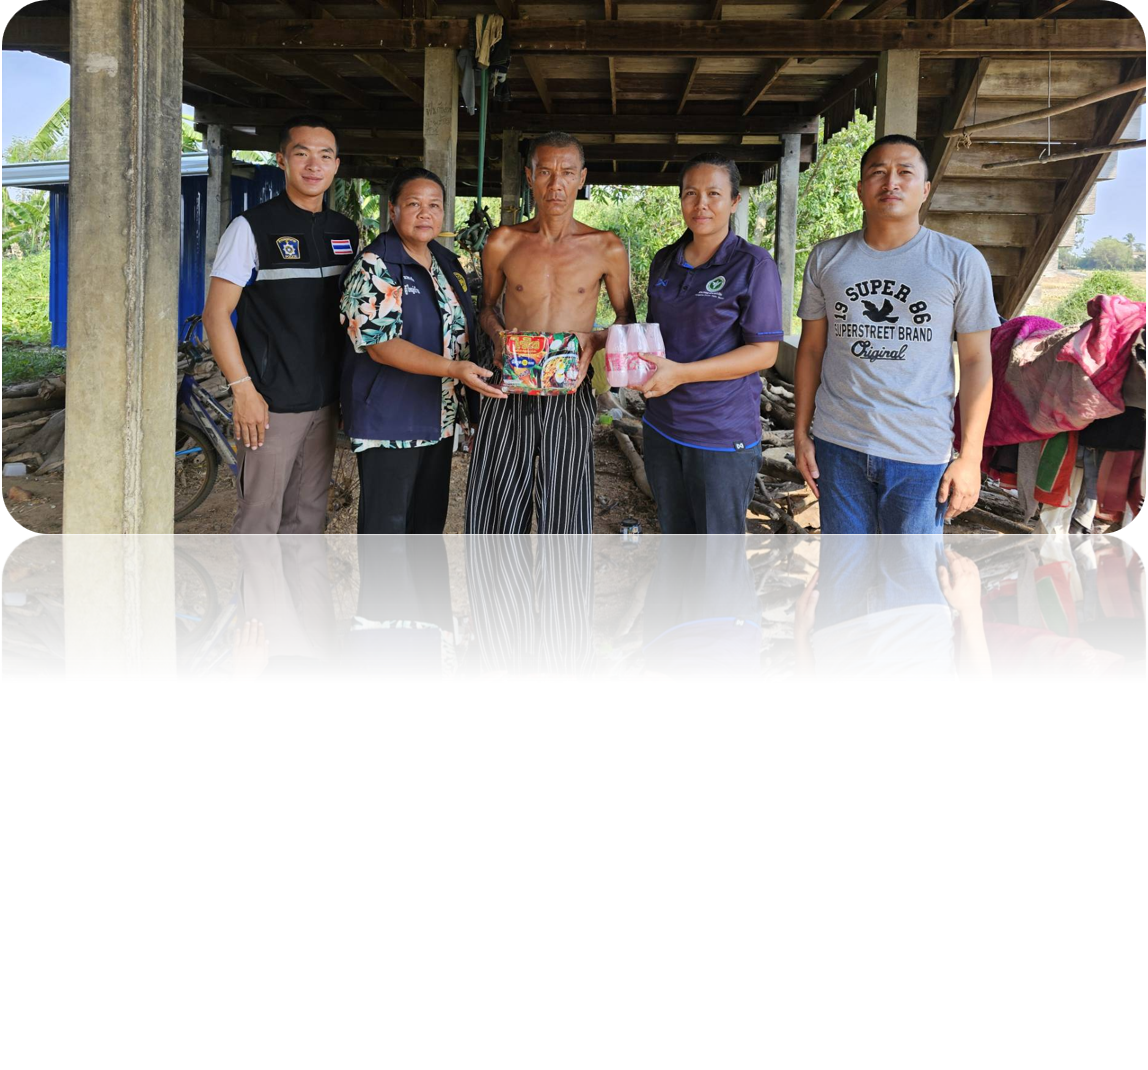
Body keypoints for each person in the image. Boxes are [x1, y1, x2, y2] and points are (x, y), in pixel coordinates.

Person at [465, 132, 635, 678]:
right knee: (497, 512)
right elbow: (486, 307)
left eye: (566, 172)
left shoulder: (606, 246)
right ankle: (501, 652)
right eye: (544, 171)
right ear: (529, 176)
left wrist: (593, 341)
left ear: (582, 178)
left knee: (565, 511)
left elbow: (627, 320)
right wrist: (498, 337)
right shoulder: (502, 241)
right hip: (510, 386)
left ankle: (563, 655)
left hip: (569, 390)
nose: (555, 183)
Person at [203, 115, 354, 673]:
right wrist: (243, 390)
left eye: (325, 155)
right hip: (270, 403)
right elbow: (217, 315)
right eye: (302, 154)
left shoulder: (344, 230)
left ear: (336, 166)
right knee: (259, 523)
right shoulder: (252, 228)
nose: (314, 165)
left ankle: (315, 648)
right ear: (282, 160)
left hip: (325, 401)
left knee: (307, 523)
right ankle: (273, 651)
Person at [793, 134, 996, 539]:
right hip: (837, 445)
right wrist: (801, 433)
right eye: (878, 172)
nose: (891, 182)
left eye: (905, 172)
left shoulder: (960, 261)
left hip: (921, 453)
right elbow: (811, 349)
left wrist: (970, 457)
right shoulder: (827, 258)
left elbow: (976, 361)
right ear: (860, 190)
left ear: (925, 189)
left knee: (913, 573)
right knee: (843, 569)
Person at [640, 153, 784, 536]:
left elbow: (765, 353)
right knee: (673, 542)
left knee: (716, 554)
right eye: (691, 193)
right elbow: (656, 335)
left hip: (719, 432)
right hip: (661, 425)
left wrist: (682, 374)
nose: (701, 204)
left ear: (734, 201)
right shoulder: (664, 260)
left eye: (714, 194)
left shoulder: (754, 265)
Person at [792, 545, 994, 682]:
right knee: (917, 506)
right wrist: (970, 610)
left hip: (841, 626)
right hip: (920, 616)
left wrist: (800, 634)